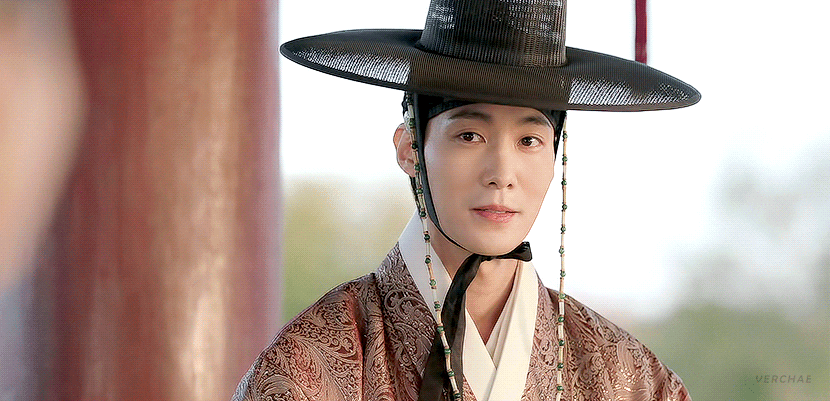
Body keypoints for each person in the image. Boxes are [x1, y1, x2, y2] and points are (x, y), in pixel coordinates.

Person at [234, 0, 699, 400]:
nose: (502, 175)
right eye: (470, 135)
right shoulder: (310, 366)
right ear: (410, 148)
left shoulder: (627, 378)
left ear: (555, 155)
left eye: (529, 141)